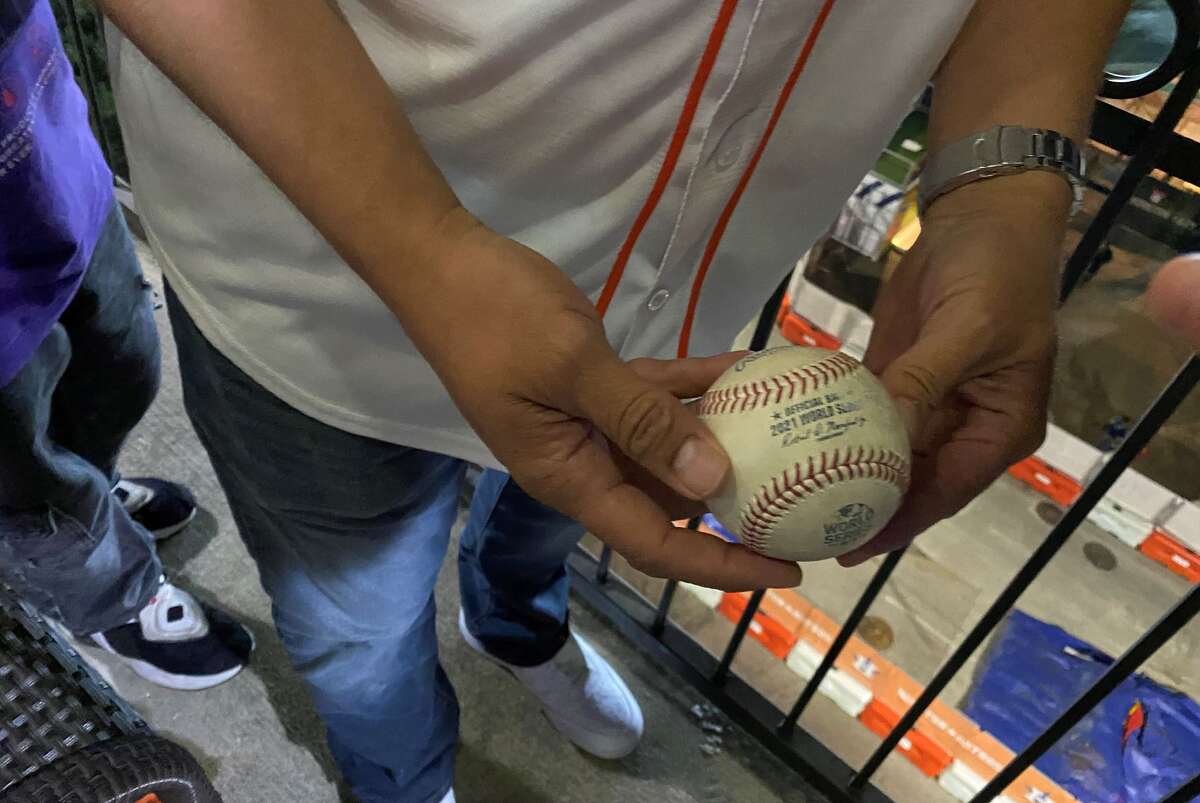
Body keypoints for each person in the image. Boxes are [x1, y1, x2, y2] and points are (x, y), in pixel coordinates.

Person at [96, 1, 1129, 800]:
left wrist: (1004, 187)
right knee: (357, 631)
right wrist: (426, 245)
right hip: (313, 270)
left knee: (554, 529)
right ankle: (403, 782)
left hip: (686, 307)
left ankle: (519, 629)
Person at [0, 0, 252, 690]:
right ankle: (108, 600)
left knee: (123, 363)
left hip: (50, 157)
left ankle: (100, 487)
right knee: (34, 484)